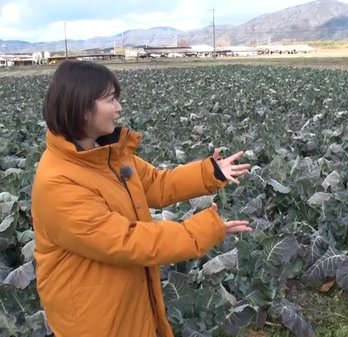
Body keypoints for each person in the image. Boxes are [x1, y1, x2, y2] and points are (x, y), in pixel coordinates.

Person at [31, 60, 252, 337]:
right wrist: (202, 231)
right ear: (83, 109)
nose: (119, 108)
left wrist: (210, 173)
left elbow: (156, 184)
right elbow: (129, 241)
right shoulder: (59, 183)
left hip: (128, 303)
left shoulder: (104, 155)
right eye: (111, 99)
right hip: (96, 322)